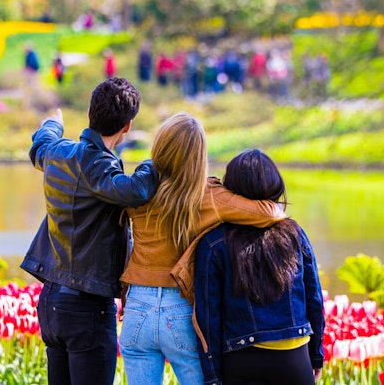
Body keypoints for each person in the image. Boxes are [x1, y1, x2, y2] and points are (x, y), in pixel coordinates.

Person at [119, 113, 286, 385]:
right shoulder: (209, 196)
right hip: (181, 310)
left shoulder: (136, 191)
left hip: (137, 306)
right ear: (199, 156)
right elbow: (269, 213)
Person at [20, 77, 160, 385]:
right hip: (86, 308)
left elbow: (40, 145)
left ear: (89, 112)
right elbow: (136, 190)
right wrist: (157, 159)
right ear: (127, 125)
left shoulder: (57, 152)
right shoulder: (99, 166)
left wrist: (52, 123)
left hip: (52, 302)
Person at [194, 149, 326, 385]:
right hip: (294, 357)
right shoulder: (295, 234)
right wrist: (316, 356)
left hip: (241, 359)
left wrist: (212, 376)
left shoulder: (213, 242)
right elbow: (314, 299)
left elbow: (208, 317)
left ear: (231, 189)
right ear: (275, 185)